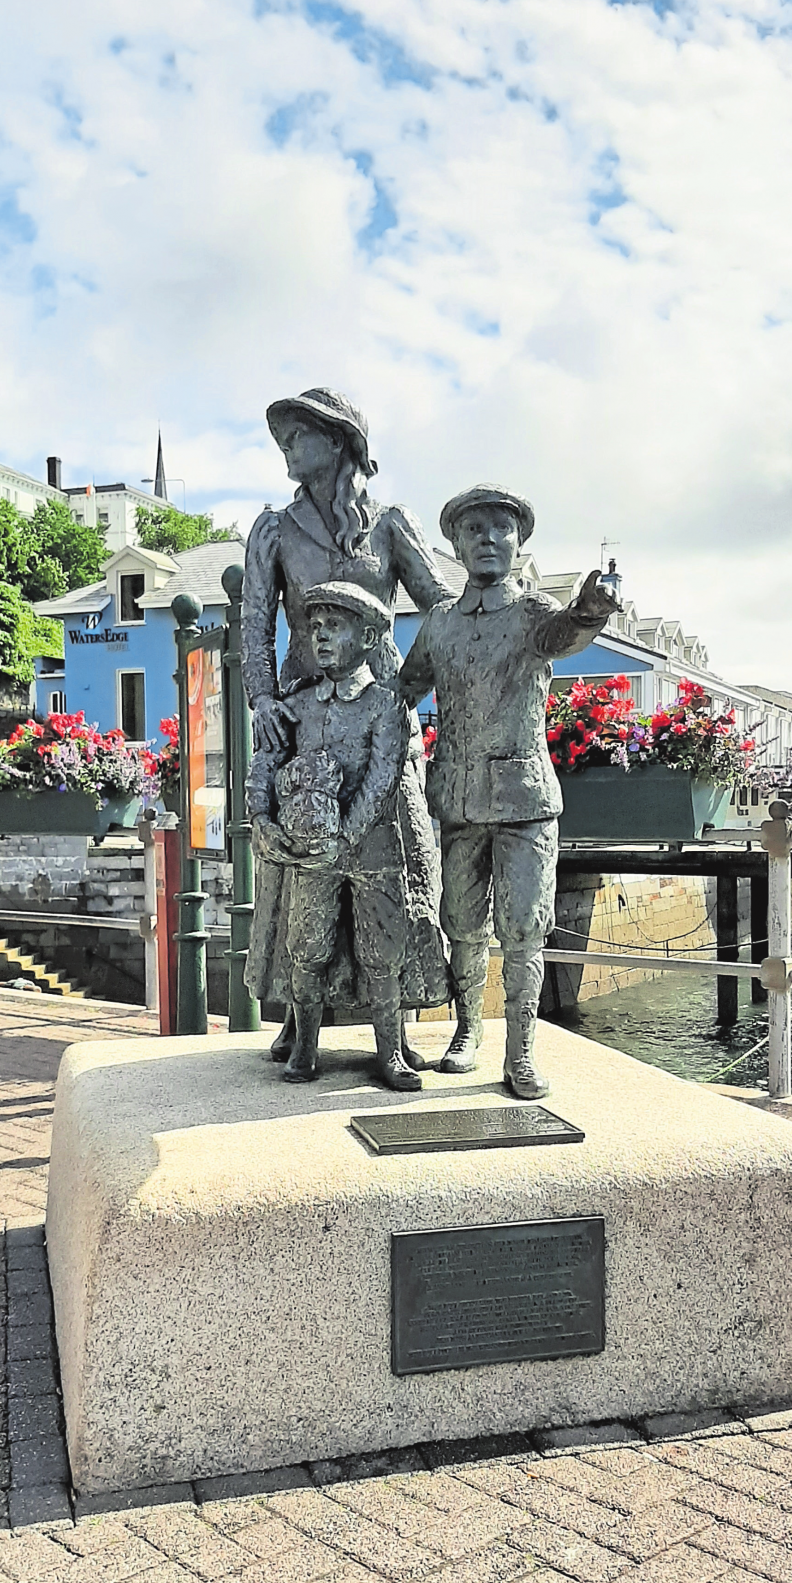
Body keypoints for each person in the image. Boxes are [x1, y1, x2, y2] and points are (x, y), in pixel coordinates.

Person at [241, 387, 450, 1047]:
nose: (287, 451)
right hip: (306, 719)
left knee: (403, 856)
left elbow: (439, 609)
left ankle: (399, 1020)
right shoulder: (273, 528)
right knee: (300, 867)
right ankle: (301, 1014)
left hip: (379, 711)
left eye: (298, 436)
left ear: (338, 441)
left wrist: (406, 689)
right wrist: (263, 699)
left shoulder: (388, 524)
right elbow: (254, 623)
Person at [397, 487, 617, 1097]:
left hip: (524, 803)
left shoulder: (532, 615)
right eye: (474, 530)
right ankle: (467, 1032)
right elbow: (403, 689)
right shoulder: (440, 622)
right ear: (456, 544)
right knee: (462, 924)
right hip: (460, 799)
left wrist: (591, 609)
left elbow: (565, 634)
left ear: (518, 542)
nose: (487, 539)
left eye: (500, 528)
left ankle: (520, 1053)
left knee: (524, 929)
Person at [248, 581, 419, 1090]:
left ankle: (390, 1053)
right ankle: (304, 1048)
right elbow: (265, 764)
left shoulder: (386, 705)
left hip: (371, 850)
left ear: (368, 636)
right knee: (307, 947)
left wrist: (343, 839)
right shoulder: (297, 704)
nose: (320, 637)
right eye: (314, 628)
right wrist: (261, 819)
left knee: (381, 950)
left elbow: (381, 780)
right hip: (310, 855)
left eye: (334, 627)